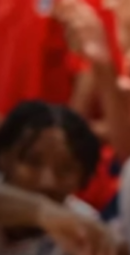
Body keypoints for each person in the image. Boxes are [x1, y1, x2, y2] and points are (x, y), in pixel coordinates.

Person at [0, 101, 116, 255]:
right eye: (32, 161)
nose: (47, 182)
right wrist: (41, 212)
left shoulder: (88, 234)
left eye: (65, 170)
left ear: (84, 179)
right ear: (4, 159)